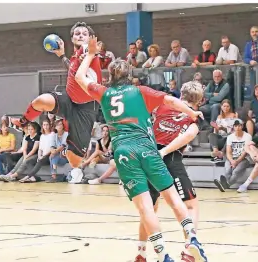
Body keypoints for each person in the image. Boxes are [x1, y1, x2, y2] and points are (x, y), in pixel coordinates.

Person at [75, 37, 207, 262]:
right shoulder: (140, 91)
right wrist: (192, 113)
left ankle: (161, 255)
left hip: (124, 151)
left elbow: (79, 78)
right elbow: (172, 101)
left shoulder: (103, 93)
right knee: (174, 199)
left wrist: (90, 54)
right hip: (148, 147)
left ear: (110, 77)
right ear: (130, 74)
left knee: (146, 208)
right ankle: (192, 239)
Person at [9, 21, 102, 170]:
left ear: (90, 38)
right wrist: (62, 56)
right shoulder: (74, 56)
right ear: (72, 38)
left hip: (86, 108)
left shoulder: (88, 52)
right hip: (69, 99)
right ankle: (23, 122)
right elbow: (72, 67)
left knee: (75, 162)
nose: (81, 35)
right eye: (77, 33)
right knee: (42, 100)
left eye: (85, 34)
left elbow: (89, 53)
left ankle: (68, 148)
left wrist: (92, 51)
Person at [131, 81, 205, 262]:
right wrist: (164, 151)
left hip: (149, 156)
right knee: (191, 205)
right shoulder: (195, 116)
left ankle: (141, 253)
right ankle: (190, 246)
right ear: (200, 100)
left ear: (181, 93)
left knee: (149, 208)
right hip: (170, 157)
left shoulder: (164, 104)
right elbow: (188, 135)